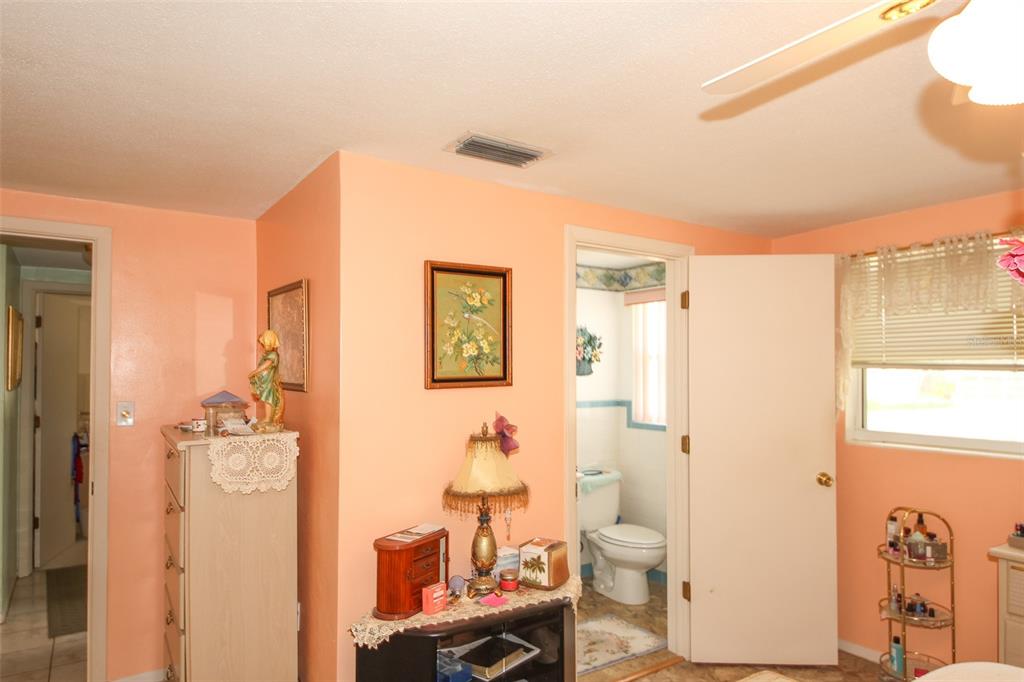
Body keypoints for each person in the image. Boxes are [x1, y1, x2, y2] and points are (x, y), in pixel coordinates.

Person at [248, 329, 284, 432]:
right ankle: (267, 418)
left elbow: (265, 366)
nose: (262, 346)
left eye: (263, 343)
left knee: (268, 399)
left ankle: (268, 418)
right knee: (265, 399)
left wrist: (253, 372)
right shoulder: (268, 355)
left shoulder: (273, 355)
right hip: (264, 382)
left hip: (268, 382)